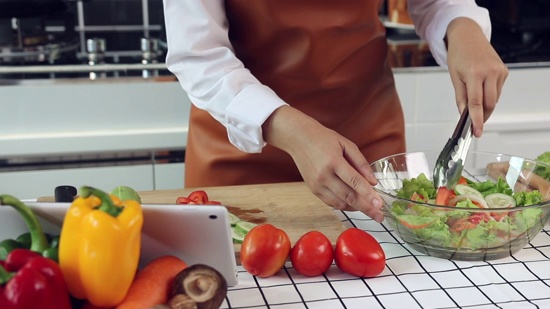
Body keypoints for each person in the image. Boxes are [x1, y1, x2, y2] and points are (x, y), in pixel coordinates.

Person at [162, 0, 508, 223]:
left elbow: (434, 3)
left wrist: (463, 28)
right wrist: (291, 132)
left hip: (366, 142)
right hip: (240, 152)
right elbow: (199, 56)